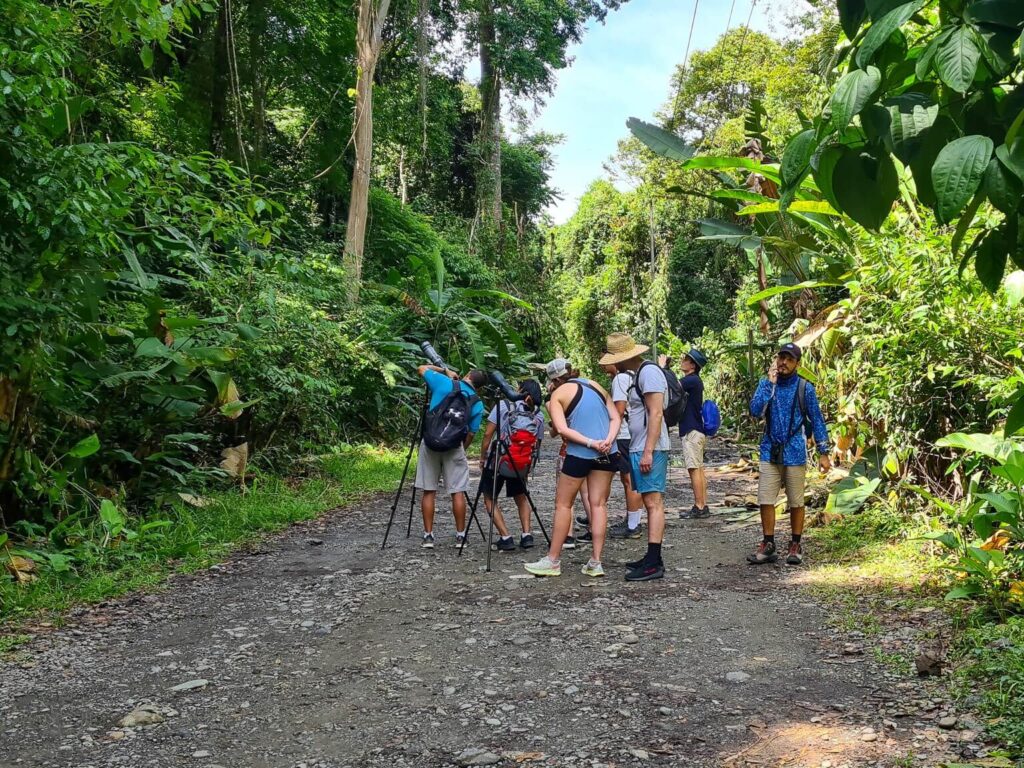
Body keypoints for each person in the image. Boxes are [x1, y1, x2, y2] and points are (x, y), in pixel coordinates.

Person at [525, 358, 620, 578]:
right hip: (608, 451)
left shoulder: (557, 396)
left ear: (554, 380)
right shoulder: (595, 385)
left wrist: (590, 443)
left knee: (563, 504)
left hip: (580, 453)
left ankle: (553, 560)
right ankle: (596, 562)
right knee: (598, 504)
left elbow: (561, 429)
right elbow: (615, 417)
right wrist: (606, 440)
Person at [747, 342, 831, 566]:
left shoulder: (805, 389)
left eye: (789, 359)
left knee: (796, 501)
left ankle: (795, 543)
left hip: (795, 450)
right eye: (781, 357)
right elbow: (755, 410)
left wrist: (824, 452)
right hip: (769, 450)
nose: (783, 362)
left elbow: (817, 419)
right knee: (765, 498)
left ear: (797, 363)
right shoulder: (767, 385)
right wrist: (769, 384)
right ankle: (768, 543)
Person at [602, 333, 670, 582]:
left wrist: (649, 451)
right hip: (640, 446)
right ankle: (652, 557)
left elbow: (656, 414)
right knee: (649, 501)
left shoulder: (649, 373)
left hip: (650, 447)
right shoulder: (638, 375)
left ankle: (654, 562)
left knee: (653, 503)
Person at [415, 363, 486, 549]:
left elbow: (421, 368)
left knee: (429, 490)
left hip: (430, 442)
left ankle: (428, 536)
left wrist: (444, 370)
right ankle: (461, 535)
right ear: (479, 387)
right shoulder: (477, 403)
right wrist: (461, 447)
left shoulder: (443, 383)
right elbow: (471, 433)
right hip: (454, 446)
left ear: (468, 374)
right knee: (457, 491)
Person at [478, 379, 545, 551]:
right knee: (521, 498)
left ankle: (505, 537)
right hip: (520, 464)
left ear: (521, 390)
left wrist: (483, 457)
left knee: (489, 498)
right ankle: (526, 535)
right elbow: (536, 444)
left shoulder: (504, 405)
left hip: (498, 461)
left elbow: (487, 434)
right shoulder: (538, 414)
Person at [603, 362, 645, 539]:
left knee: (629, 480)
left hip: (624, 435)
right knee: (629, 478)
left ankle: (633, 525)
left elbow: (619, 411)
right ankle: (632, 519)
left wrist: (610, 436)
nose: (603, 366)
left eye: (606, 362)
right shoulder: (631, 376)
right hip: (633, 432)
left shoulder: (620, 379)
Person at [676, 348, 710, 520]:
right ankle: (702, 504)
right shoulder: (695, 381)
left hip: (691, 430)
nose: (682, 360)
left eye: (686, 359)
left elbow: (672, 386)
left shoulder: (691, 380)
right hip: (696, 429)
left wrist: (663, 369)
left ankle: (699, 505)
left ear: (692, 365)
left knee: (694, 469)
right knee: (699, 468)